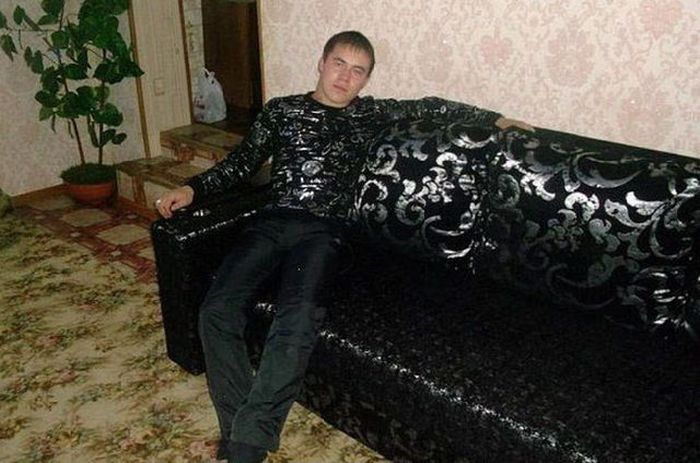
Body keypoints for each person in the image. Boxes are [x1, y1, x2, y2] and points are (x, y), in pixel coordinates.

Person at [155, 31, 532, 463]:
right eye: (338, 64)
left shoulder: (369, 114)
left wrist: (496, 119)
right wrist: (192, 189)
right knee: (216, 309)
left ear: (366, 80)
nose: (345, 77)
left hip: (324, 232)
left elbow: (432, 106)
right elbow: (241, 164)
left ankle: (245, 447)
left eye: (358, 71)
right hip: (272, 223)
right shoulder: (282, 110)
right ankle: (242, 426)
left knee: (297, 317)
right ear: (321, 63)